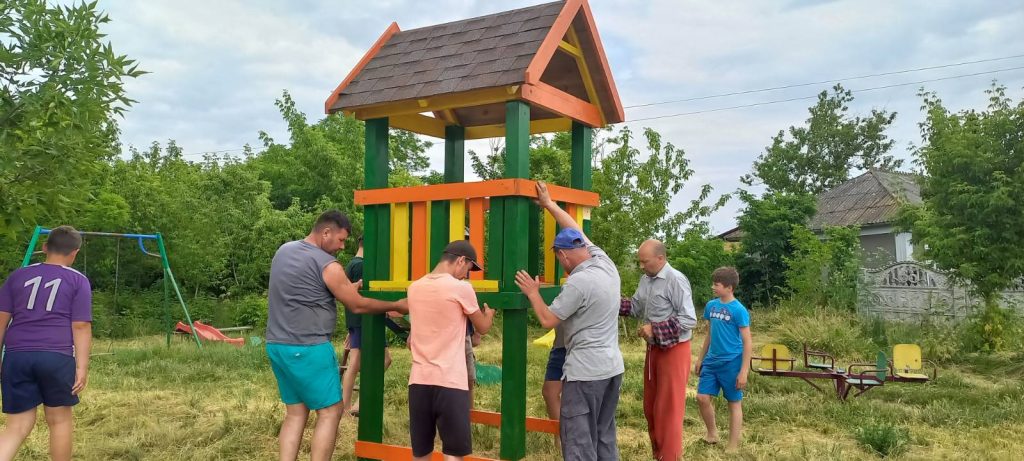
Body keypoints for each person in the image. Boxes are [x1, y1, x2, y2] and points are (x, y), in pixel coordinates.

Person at [265, 211, 407, 461]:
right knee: (331, 411)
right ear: (326, 232)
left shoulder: (284, 251)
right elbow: (358, 306)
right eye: (340, 240)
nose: (342, 246)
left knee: (296, 413)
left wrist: (344, 289)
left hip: (277, 345)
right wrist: (396, 304)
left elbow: (304, 291)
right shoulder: (327, 264)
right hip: (307, 347)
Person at [515, 181, 625, 461]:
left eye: (559, 259)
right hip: (612, 369)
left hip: (585, 373)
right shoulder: (604, 263)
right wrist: (549, 204)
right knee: (603, 436)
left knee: (578, 442)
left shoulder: (578, 283)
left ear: (563, 255)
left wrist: (532, 293)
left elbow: (547, 319)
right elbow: (574, 230)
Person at [0, 225, 92, 461]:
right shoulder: (78, 281)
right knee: (59, 419)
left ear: (44, 248)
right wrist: (81, 367)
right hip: (56, 356)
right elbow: (80, 326)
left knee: (17, 426)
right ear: (75, 253)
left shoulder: (18, 275)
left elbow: (1, 321)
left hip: (16, 356)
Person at [407, 240, 495, 461]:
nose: (466, 275)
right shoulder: (461, 288)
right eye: (468, 269)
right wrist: (490, 314)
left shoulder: (414, 288)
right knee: (453, 454)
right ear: (461, 261)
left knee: (421, 452)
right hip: (450, 383)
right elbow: (482, 327)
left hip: (418, 382)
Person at [620, 240, 698, 461]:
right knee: (651, 406)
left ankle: (670, 456)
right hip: (654, 350)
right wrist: (607, 302)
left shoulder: (676, 280)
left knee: (669, 410)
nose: (642, 266)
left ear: (661, 258)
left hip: (674, 351)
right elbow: (635, 306)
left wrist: (655, 328)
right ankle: (659, 454)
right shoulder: (646, 279)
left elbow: (689, 319)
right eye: (640, 262)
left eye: (645, 261)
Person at [695, 267, 752, 453]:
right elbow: (709, 334)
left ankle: (733, 445)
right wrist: (700, 358)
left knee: (733, 402)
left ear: (729, 287)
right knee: (702, 398)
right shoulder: (711, 306)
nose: (713, 287)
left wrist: (743, 371)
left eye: (716, 285)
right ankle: (712, 434)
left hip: (732, 363)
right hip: (711, 361)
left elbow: (747, 341)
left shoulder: (739, 310)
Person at [341, 237, 394, 417]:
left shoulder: (351, 264)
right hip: (364, 319)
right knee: (356, 362)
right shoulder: (362, 266)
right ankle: (346, 406)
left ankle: (355, 404)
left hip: (359, 319)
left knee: (384, 359)